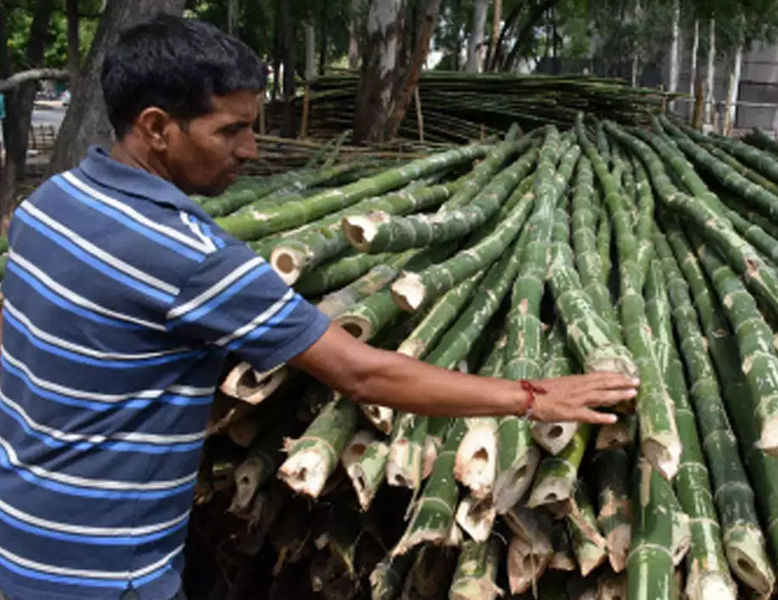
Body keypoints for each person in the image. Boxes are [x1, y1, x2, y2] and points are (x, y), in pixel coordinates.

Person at [0, 14, 638, 600]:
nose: (250, 149)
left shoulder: (49, 204)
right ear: (157, 128)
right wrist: (531, 396)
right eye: (230, 130)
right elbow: (362, 373)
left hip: (23, 530)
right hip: (102, 569)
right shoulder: (190, 257)